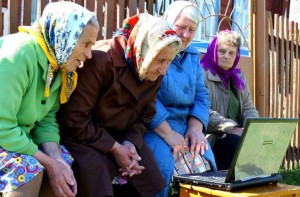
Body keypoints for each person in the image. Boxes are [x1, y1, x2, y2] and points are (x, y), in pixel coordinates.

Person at [57, 13, 182, 197]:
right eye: (161, 60)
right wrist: (115, 148)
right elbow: (74, 119)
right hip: (84, 136)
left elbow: (146, 114)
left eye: (169, 61)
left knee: (145, 174)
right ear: (145, 49)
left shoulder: (152, 68)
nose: (164, 69)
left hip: (121, 136)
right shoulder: (101, 60)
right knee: (96, 175)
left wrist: (130, 143)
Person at [0, 2, 99, 197]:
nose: (89, 54)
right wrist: (47, 162)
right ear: (66, 35)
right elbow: (2, 124)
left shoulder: (57, 63)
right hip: (4, 136)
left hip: (14, 139)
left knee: (65, 163)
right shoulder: (19, 54)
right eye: (86, 44)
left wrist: (55, 158)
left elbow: (46, 118)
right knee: (28, 170)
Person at [143, 1, 217, 196]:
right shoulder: (155, 49)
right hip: (155, 126)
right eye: (181, 27)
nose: (186, 34)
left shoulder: (192, 56)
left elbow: (201, 95)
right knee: (161, 170)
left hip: (185, 126)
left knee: (205, 166)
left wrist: (195, 128)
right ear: (168, 22)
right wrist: (168, 134)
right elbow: (147, 95)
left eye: (192, 29)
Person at [200, 30, 259, 170]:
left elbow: (248, 108)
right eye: (222, 51)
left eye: (231, 53)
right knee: (235, 143)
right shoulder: (202, 73)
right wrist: (231, 128)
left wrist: (253, 129)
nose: (226, 56)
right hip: (211, 139)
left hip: (237, 135)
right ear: (213, 51)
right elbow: (203, 111)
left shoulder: (238, 77)